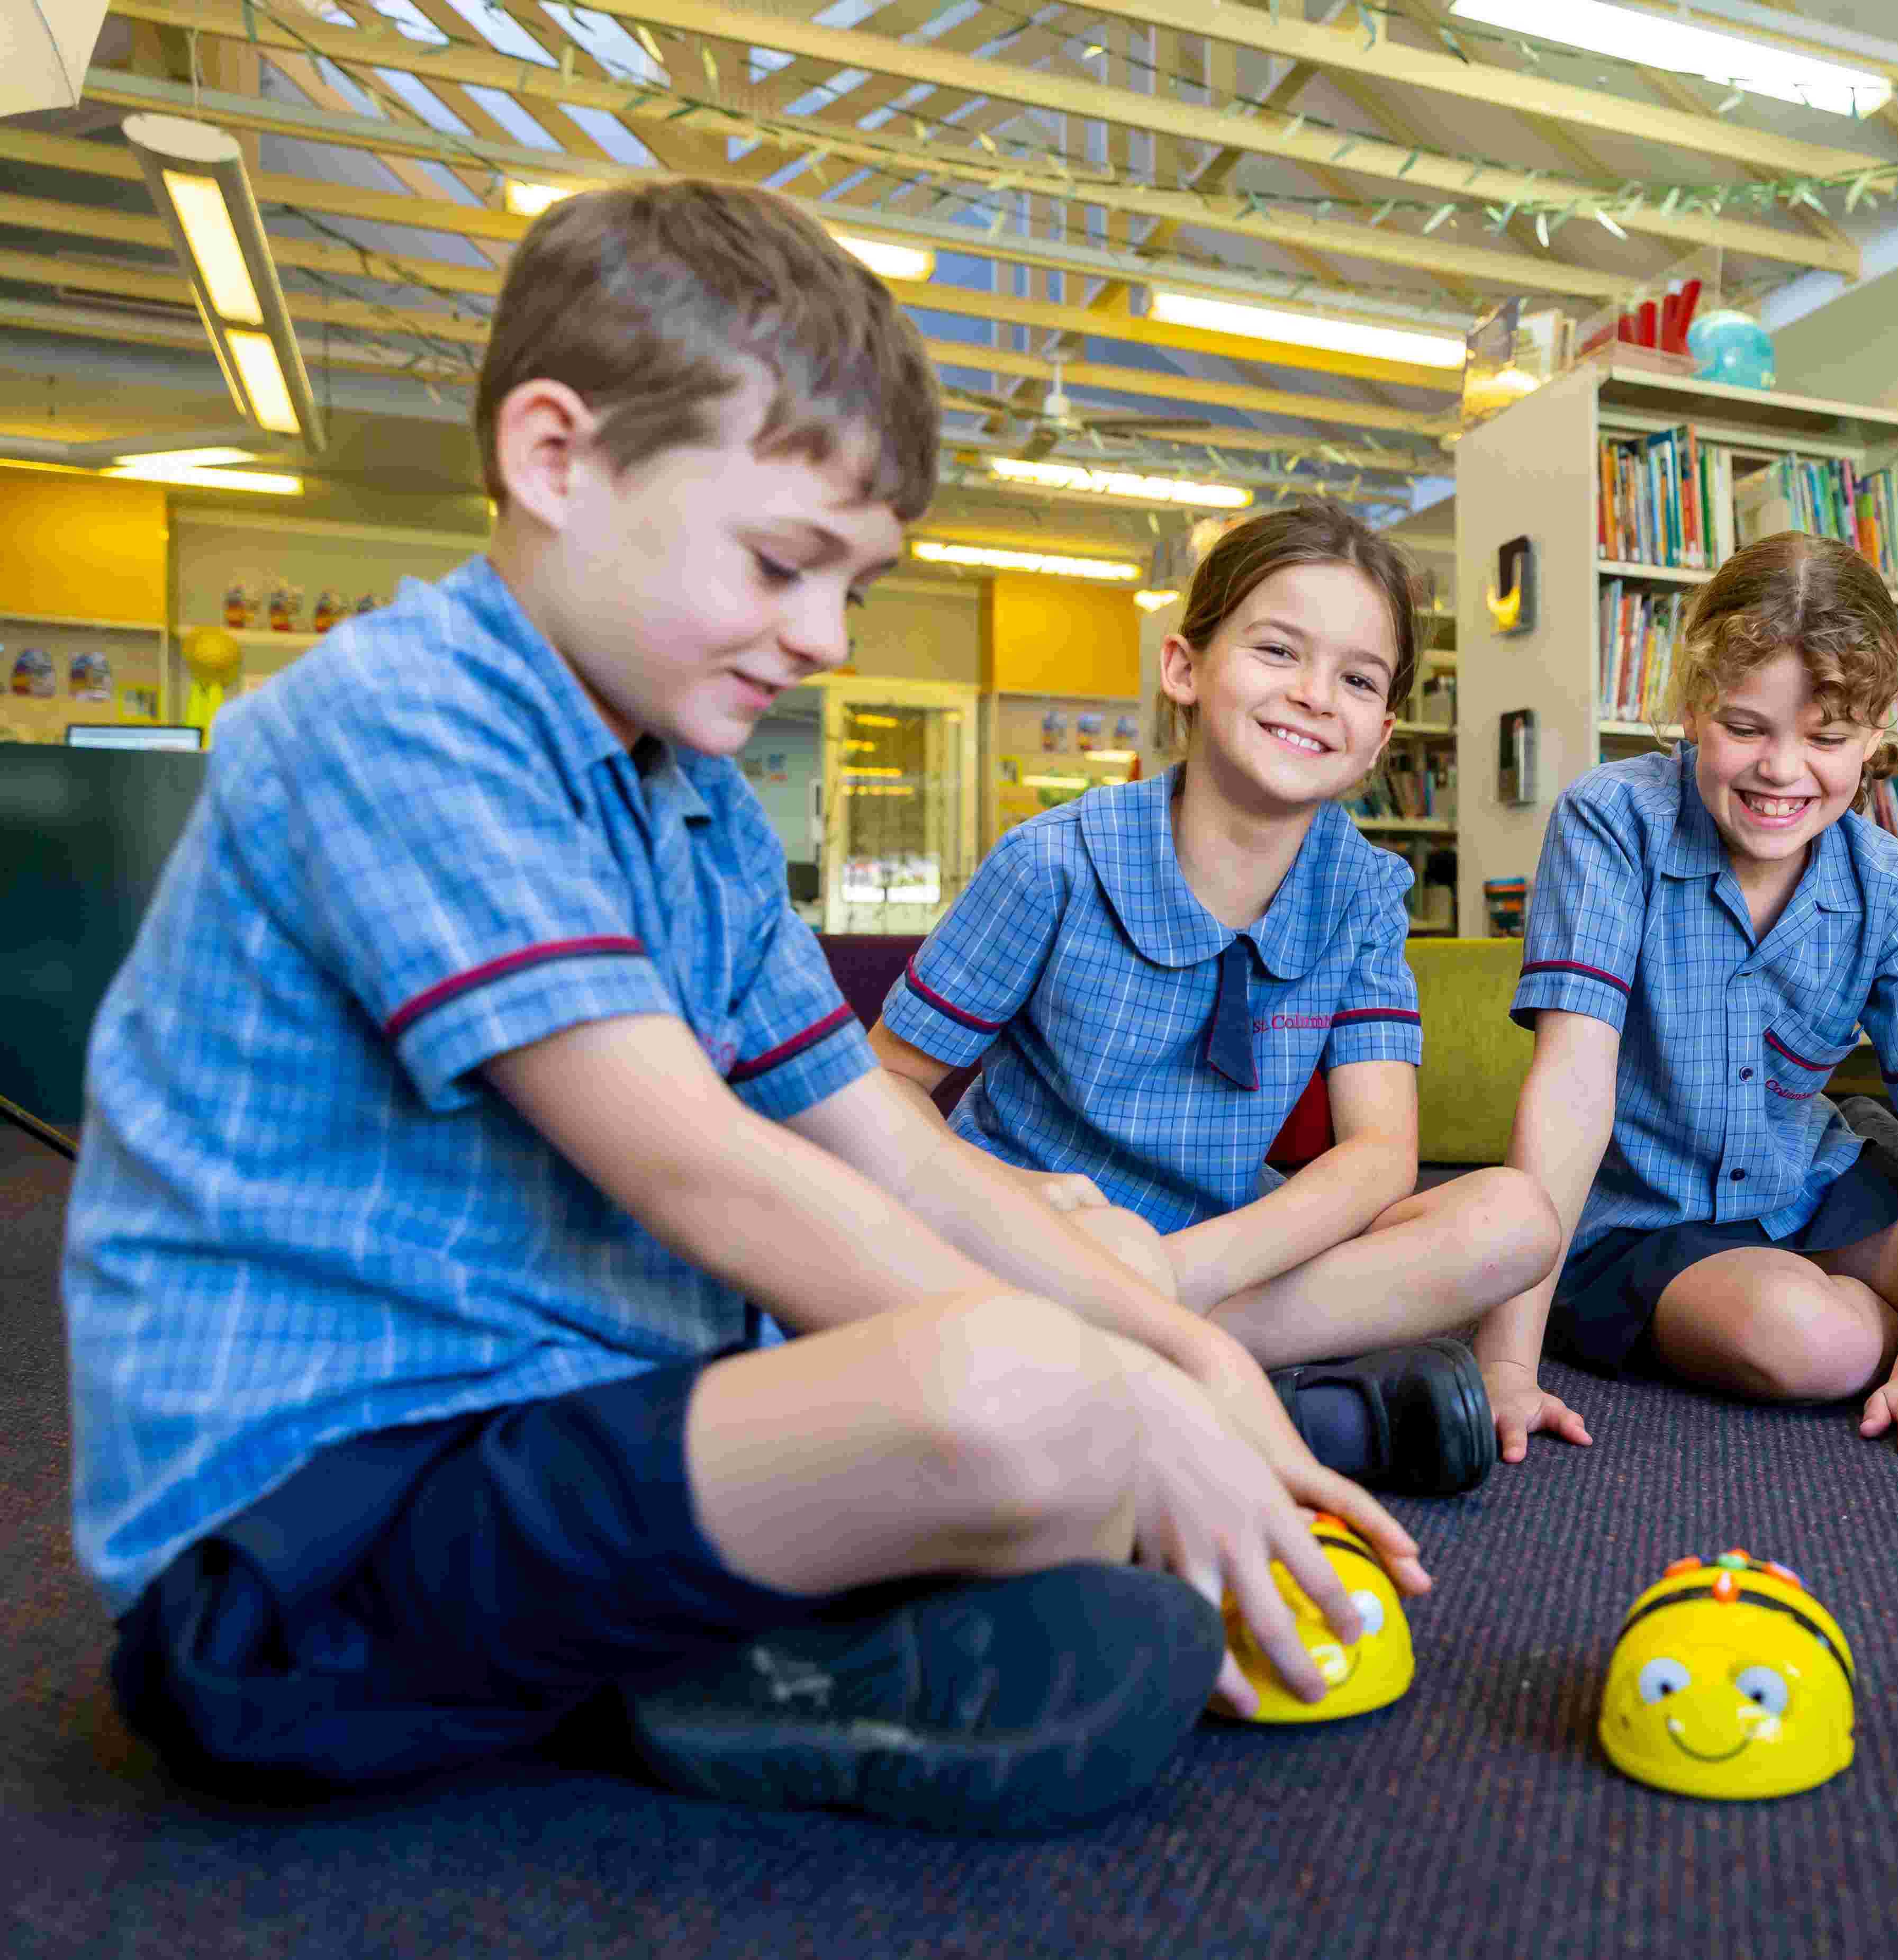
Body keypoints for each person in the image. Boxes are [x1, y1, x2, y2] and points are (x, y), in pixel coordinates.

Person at [62, 180, 1423, 1837]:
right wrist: (1125, 1387)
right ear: (557, 458)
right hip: (307, 1558)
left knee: (1060, 1362)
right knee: (1033, 1402)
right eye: (787, 566)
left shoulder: (691, 801)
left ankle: (734, 1647)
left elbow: (890, 1150)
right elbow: (702, 1167)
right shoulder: (396, 719)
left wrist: (1195, 1351)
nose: (827, 638)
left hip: (583, 1429)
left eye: (854, 585)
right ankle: (714, 1660)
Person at [869, 504, 1561, 1496]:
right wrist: (1027, 1208)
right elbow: (886, 1081)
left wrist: (1184, 1273)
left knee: (1514, 1219)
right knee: (1075, 1246)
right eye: (1278, 650)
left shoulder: (1364, 891)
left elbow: (1377, 1156)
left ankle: (1148, 1366)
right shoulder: (1052, 863)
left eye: (1357, 680)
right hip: (1041, 1233)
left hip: (1227, 1254)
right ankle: (1236, 1396)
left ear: (1379, 737)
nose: (1315, 696)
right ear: (1185, 669)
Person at [1471, 532, 1898, 1465]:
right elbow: (1571, 1092)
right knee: (1807, 1340)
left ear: (1875, 737)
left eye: (1827, 739)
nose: (1782, 771)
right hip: (1641, 1220)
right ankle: (1890, 1320)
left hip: (1815, 1187)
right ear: (1692, 705)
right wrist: (1504, 1364)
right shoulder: (1609, 821)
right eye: (1745, 728)